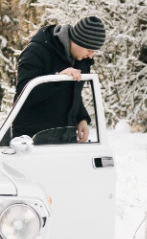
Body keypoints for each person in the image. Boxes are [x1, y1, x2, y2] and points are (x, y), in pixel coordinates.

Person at [11, 16, 106, 144]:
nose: (91, 56)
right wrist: (57, 78)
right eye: (89, 50)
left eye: (94, 51)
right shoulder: (36, 52)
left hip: (65, 138)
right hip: (31, 140)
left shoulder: (82, 60)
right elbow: (24, 95)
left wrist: (81, 119)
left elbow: (73, 93)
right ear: (76, 41)